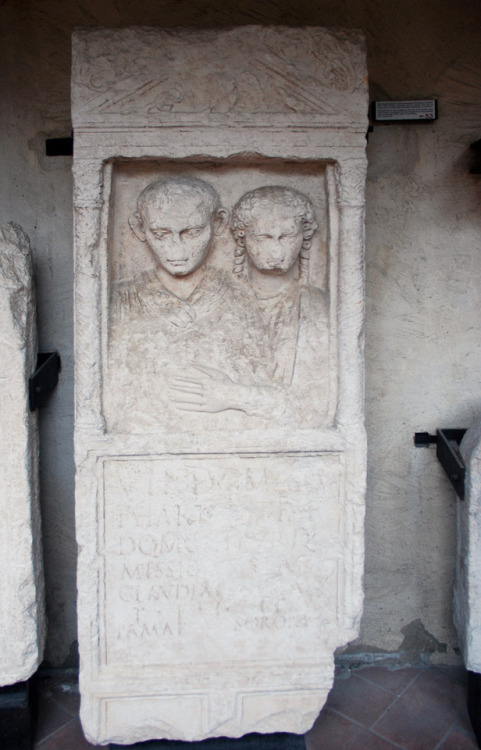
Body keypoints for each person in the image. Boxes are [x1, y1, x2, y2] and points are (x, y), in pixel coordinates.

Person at [104, 176, 262, 433]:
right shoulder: (119, 301)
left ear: (219, 222)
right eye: (161, 234)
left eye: (192, 232)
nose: (176, 249)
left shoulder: (241, 299)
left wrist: (235, 395)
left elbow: (267, 398)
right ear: (139, 228)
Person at [170, 185, 330, 427]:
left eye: (287, 237)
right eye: (263, 237)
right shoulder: (211, 299)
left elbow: (314, 406)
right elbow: (183, 384)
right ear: (243, 236)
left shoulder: (319, 308)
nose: (276, 250)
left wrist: (233, 396)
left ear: (304, 236)